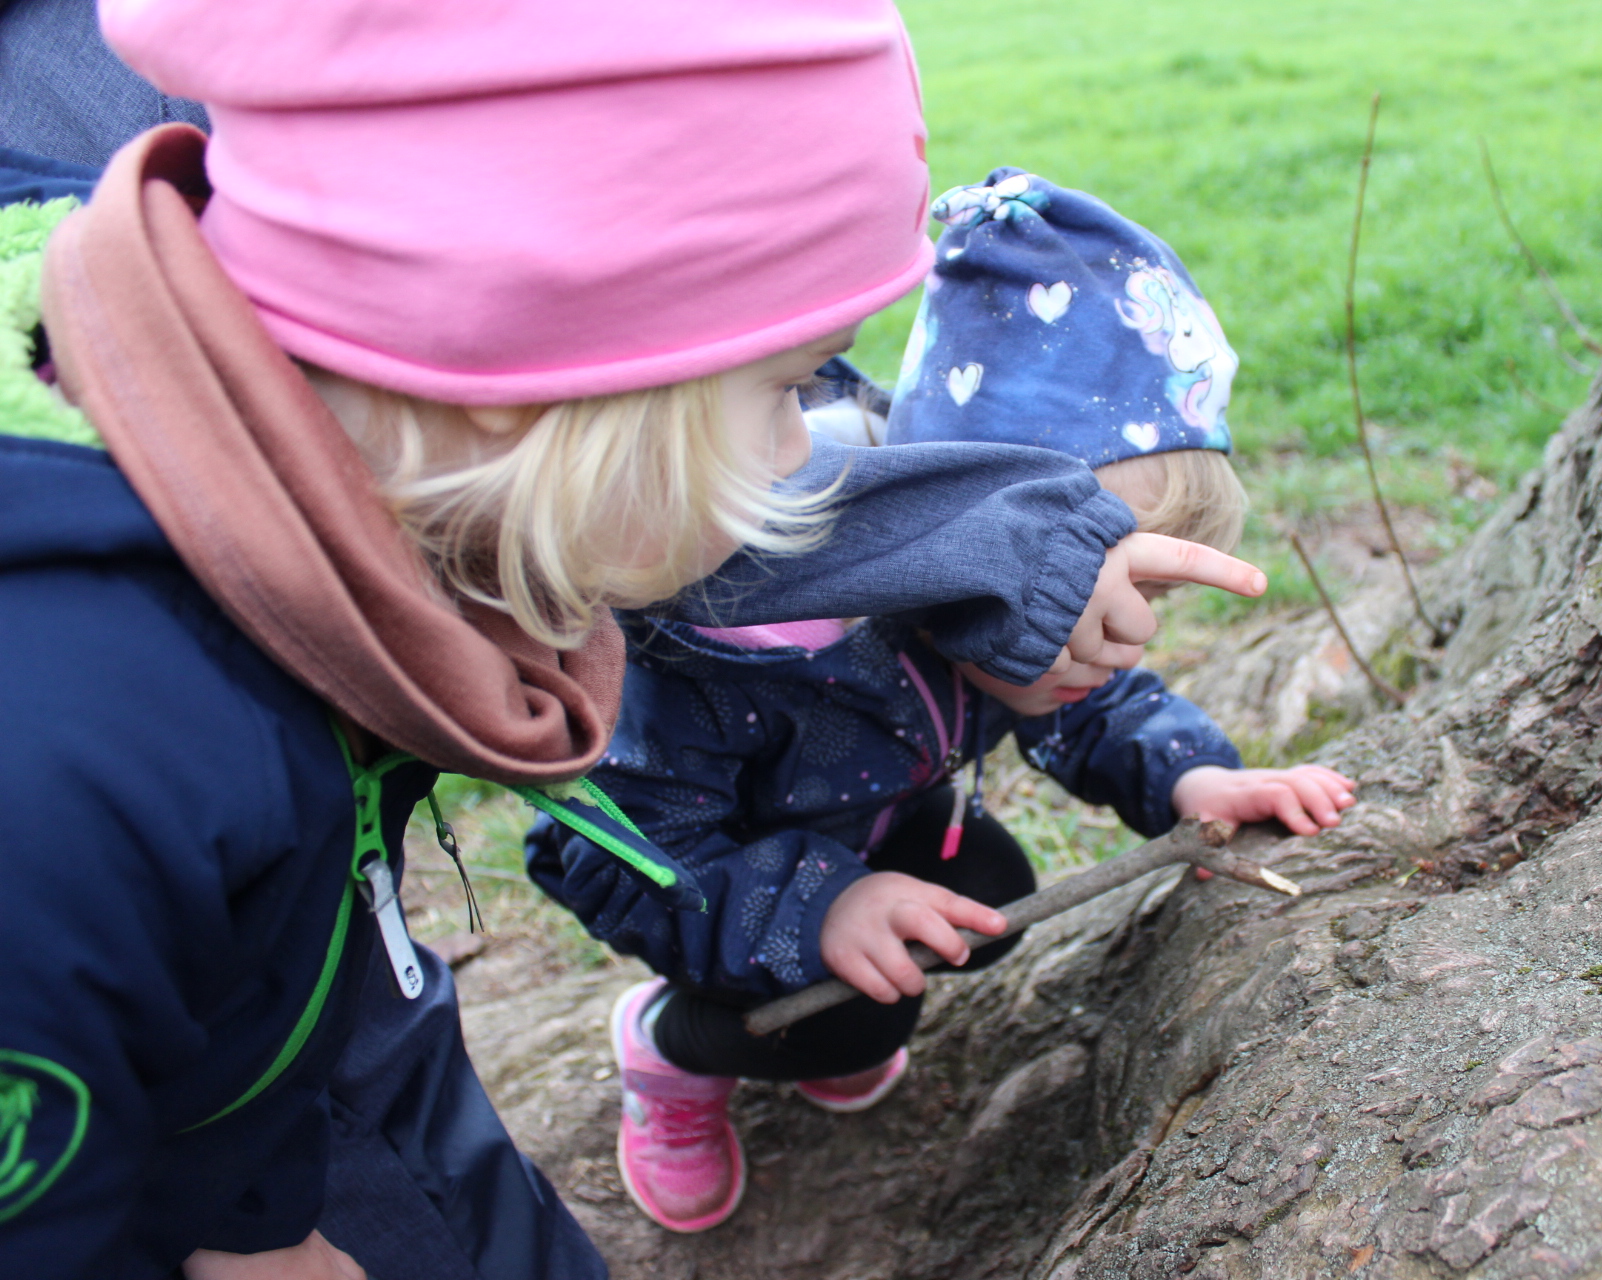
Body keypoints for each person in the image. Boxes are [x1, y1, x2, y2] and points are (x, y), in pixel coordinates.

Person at [0, 8, 1267, 1278]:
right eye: (785, 389)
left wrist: (256, 1215)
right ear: (541, 372)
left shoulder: (336, 562)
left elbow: (256, 1005)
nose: (805, 457)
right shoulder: (81, 777)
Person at [528, 169, 1355, 1235]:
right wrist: (821, 907)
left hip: (875, 811)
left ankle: (825, 1002)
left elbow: (1090, 709)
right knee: (850, 1025)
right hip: (704, 867)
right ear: (978, 553)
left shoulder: (1000, 634)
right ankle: (673, 1050)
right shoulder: (741, 637)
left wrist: (1197, 775)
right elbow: (628, 848)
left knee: (989, 893)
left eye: (1144, 596)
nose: (1131, 632)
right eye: (1099, 593)